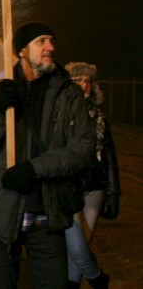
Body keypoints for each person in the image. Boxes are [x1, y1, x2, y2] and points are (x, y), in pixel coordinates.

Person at [0, 22, 96, 289]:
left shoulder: (69, 94)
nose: (51, 47)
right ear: (22, 51)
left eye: (51, 40)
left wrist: (33, 169)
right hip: (1, 213)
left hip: (47, 217)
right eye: (41, 41)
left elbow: (81, 151)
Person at [64, 62, 120, 289]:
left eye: (88, 80)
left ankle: (72, 284)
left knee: (84, 243)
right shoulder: (62, 114)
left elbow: (109, 155)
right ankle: (99, 279)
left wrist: (114, 193)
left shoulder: (99, 117)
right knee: (76, 244)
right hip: (69, 184)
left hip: (95, 185)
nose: (84, 84)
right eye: (79, 80)